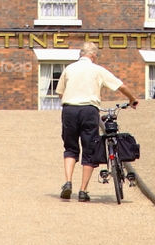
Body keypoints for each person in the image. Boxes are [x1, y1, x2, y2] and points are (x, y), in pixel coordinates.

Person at [56, 42, 140, 202]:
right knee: (89, 149)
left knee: (70, 148)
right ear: (93, 55)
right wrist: (132, 99)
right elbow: (121, 86)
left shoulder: (69, 69)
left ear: (81, 54)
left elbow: (60, 93)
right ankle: (83, 191)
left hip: (69, 110)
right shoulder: (97, 70)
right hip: (89, 110)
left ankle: (68, 182)